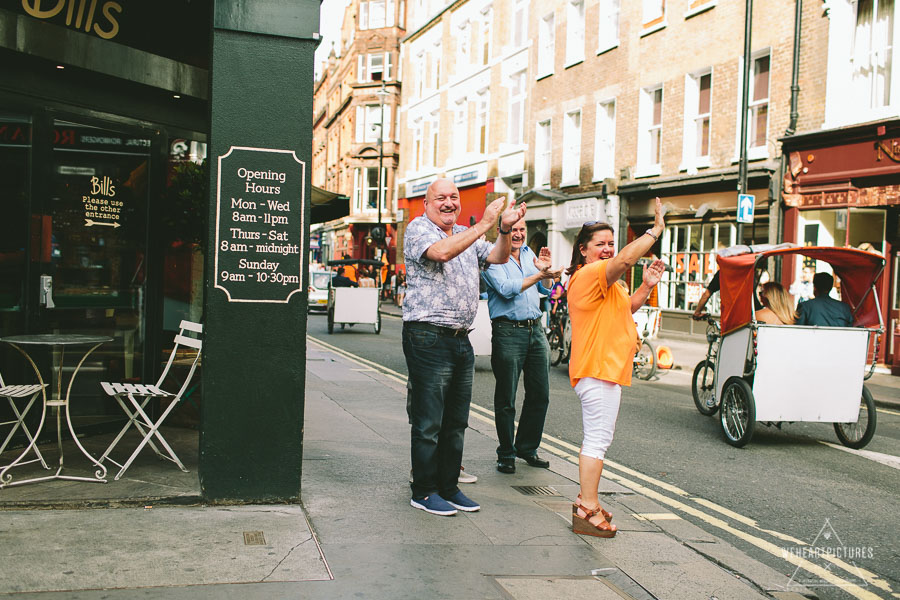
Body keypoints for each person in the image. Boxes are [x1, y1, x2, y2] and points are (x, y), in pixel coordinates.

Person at [404, 178, 526, 516]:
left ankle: (448, 487)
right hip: (427, 335)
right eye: (440, 197)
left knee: (456, 421)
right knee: (430, 422)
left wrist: (502, 229)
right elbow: (441, 252)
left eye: (453, 197)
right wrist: (485, 223)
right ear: (426, 204)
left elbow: (500, 258)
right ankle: (424, 491)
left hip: (460, 337)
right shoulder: (418, 229)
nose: (448, 203)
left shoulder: (465, 234)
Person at [566, 198, 666, 538]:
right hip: (597, 369)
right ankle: (586, 507)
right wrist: (654, 231)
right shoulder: (589, 275)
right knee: (596, 441)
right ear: (583, 250)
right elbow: (626, 259)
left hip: (606, 370)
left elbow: (627, 309)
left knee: (599, 440)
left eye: (611, 243)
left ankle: (588, 501)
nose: (608, 249)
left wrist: (646, 287)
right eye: (600, 244)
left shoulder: (609, 284)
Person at [482, 219, 562, 474]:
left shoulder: (529, 254)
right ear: (502, 231)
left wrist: (546, 275)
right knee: (506, 397)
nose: (518, 234)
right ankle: (506, 453)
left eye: (522, 230)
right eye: (513, 230)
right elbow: (506, 290)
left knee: (540, 394)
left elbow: (543, 290)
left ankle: (527, 447)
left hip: (535, 329)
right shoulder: (493, 257)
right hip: (508, 331)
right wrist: (540, 274)